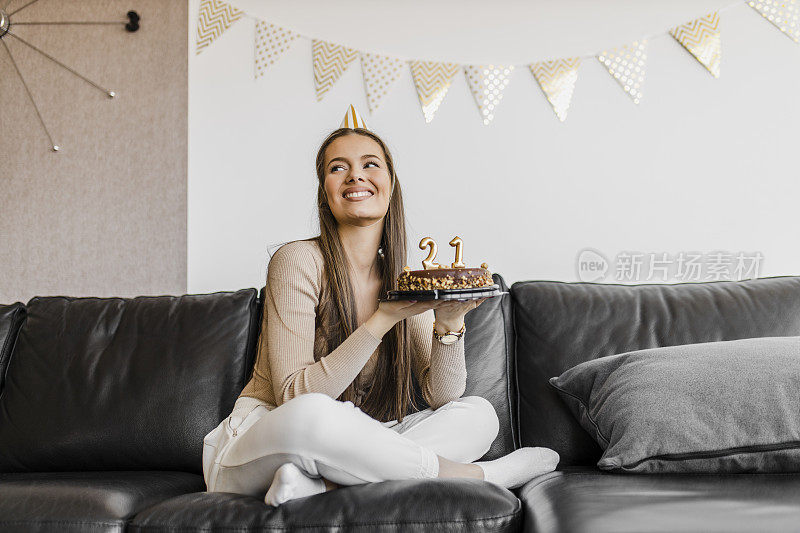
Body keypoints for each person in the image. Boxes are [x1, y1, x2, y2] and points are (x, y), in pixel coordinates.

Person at [202, 113, 559, 507]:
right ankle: (483, 475)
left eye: (370, 164)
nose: (356, 176)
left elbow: (441, 397)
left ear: (390, 184)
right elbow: (292, 397)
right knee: (315, 414)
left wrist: (449, 325)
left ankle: (322, 488)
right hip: (264, 442)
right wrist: (383, 318)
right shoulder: (298, 260)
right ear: (326, 192)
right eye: (339, 168)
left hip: (352, 444)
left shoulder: (404, 278)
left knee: (478, 414)